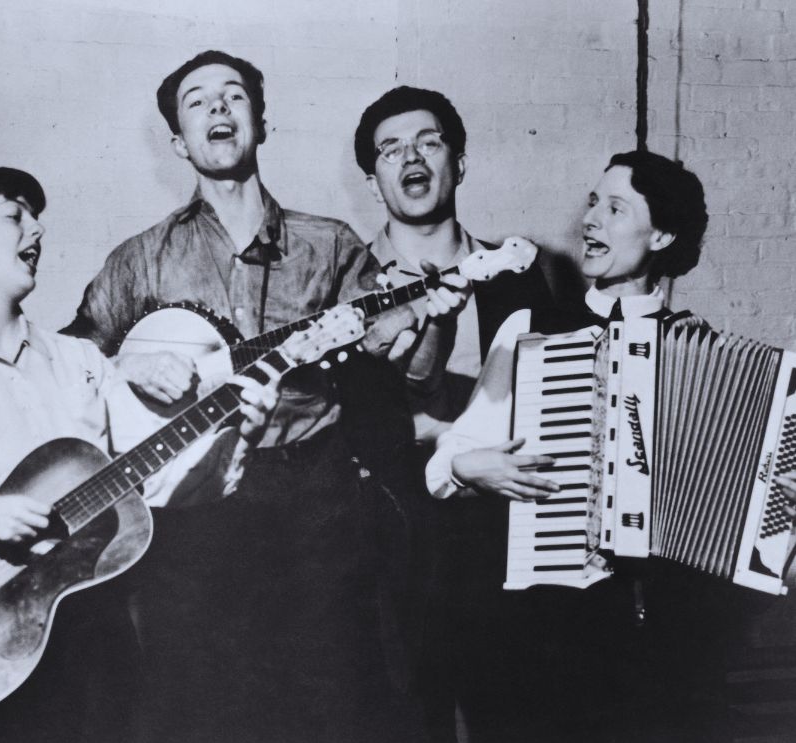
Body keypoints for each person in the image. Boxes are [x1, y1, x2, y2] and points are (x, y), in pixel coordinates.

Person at [0, 165, 288, 743]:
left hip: (94, 647)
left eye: (36, 218)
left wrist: (231, 435)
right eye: (14, 217)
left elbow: (153, 490)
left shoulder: (81, 362)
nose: (36, 231)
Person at [64, 50, 441, 742]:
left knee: (330, 695)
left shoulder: (328, 245)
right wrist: (126, 363)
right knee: (204, 698)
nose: (218, 109)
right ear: (177, 141)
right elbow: (71, 358)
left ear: (259, 123)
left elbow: (403, 369)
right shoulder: (139, 258)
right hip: (194, 511)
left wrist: (425, 316)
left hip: (315, 497)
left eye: (233, 96)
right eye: (198, 101)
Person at [425, 150, 739, 742]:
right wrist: (471, 467)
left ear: (662, 234)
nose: (590, 220)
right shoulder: (531, 331)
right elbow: (442, 466)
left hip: (665, 642)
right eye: (592, 203)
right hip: (550, 632)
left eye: (615, 208)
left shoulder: (701, 354)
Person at [352, 85, 554, 738]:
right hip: (395, 545)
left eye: (427, 141)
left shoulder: (517, 272)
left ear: (458, 163)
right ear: (372, 179)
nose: (409, 156)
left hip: (506, 537)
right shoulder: (346, 284)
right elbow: (339, 429)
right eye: (389, 148)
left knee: (516, 716)